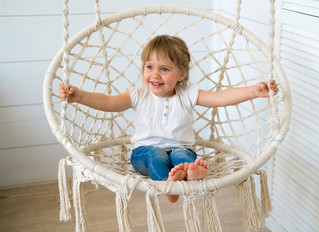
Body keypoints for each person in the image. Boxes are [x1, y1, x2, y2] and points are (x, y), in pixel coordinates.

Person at [59, 35, 278, 203]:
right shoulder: (138, 95)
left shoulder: (188, 94)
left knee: (183, 155)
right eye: (149, 67)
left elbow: (220, 98)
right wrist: (81, 97)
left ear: (181, 74)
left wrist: (252, 91)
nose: (155, 75)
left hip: (180, 147)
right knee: (157, 155)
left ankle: (191, 172)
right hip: (144, 152)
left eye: (164, 69)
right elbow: (109, 102)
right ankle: (169, 187)